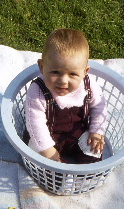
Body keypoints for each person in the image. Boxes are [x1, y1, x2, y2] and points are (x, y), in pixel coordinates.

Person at [24, 28, 107, 164]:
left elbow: (99, 107)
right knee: (36, 153)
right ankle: (57, 178)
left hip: (78, 134)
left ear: (85, 72)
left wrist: (96, 131)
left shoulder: (88, 84)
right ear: (42, 66)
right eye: (55, 72)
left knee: (94, 149)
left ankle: (84, 176)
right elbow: (35, 123)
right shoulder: (37, 90)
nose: (63, 80)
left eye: (72, 74)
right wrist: (48, 151)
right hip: (46, 136)